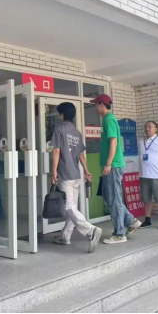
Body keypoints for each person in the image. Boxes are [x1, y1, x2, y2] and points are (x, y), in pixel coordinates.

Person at [52, 102, 103, 253]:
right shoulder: (76, 132)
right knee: (71, 207)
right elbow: (81, 154)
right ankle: (65, 236)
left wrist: (53, 170)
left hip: (65, 174)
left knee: (69, 207)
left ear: (62, 114)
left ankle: (90, 231)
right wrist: (86, 171)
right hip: (76, 174)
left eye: (59, 113)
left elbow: (56, 150)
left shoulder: (59, 128)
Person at [91, 94, 141, 245]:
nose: (95, 107)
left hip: (113, 166)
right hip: (113, 165)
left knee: (114, 199)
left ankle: (120, 233)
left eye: (95, 104)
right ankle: (130, 221)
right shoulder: (108, 120)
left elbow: (113, 142)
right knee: (111, 198)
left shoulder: (109, 120)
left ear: (101, 105)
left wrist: (108, 164)